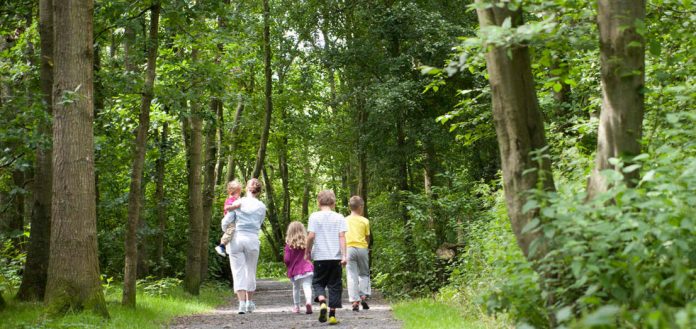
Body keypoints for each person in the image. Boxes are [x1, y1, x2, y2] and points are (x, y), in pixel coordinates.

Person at [221, 178, 266, 314]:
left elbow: (226, 221)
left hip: (237, 239)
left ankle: (241, 304)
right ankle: (249, 303)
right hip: (252, 239)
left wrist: (226, 230)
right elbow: (260, 222)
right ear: (259, 191)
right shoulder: (262, 206)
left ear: (247, 188)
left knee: (238, 271)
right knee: (250, 271)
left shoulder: (238, 202)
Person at [306, 190, 347, 325]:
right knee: (335, 286)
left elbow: (311, 236)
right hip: (335, 258)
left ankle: (322, 302)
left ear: (318, 202)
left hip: (320, 257)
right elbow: (342, 237)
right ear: (333, 202)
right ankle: (332, 316)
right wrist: (344, 255)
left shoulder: (314, 216)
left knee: (318, 282)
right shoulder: (339, 217)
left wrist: (307, 252)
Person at [345, 196, 371, 312]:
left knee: (351, 275)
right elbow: (367, 237)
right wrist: (366, 247)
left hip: (349, 249)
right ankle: (363, 295)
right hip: (362, 249)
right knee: (364, 273)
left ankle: (354, 300)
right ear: (360, 207)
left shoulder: (344, 220)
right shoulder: (365, 221)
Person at [283, 221, 314, 315]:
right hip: (307, 268)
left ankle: (296, 306)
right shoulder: (306, 243)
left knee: (296, 288)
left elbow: (287, 259)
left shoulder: (289, 245)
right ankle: (308, 302)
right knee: (307, 286)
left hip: (295, 270)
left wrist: (288, 265)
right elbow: (311, 255)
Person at [215, 180, 243, 257]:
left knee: (232, 233)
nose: (239, 194)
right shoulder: (231, 199)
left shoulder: (235, 199)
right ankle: (222, 245)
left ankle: (225, 246)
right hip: (229, 220)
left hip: (233, 219)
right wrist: (235, 206)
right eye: (238, 193)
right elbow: (226, 207)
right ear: (232, 192)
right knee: (231, 230)